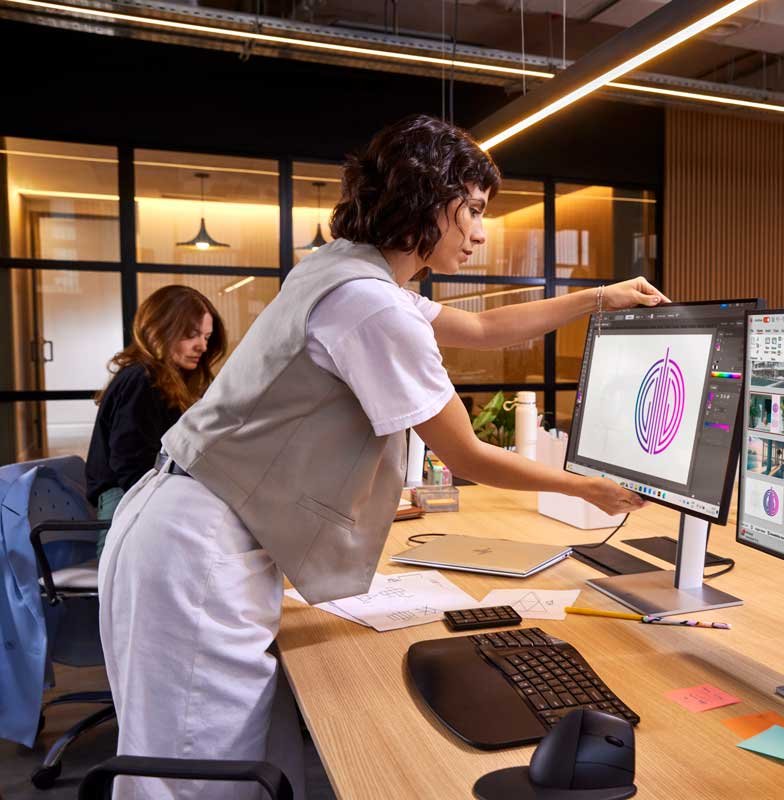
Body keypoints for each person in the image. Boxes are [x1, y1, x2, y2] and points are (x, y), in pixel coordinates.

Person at [97, 114, 661, 799]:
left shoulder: (344, 272)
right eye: (474, 212)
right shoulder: (373, 308)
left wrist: (602, 297)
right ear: (429, 201)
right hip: (197, 544)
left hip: (193, 520)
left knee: (233, 762)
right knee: (192, 779)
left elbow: (483, 327)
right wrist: (592, 486)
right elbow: (468, 455)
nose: (481, 233)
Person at [85, 285, 225, 545]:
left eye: (206, 337)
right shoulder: (141, 379)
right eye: (191, 335)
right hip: (127, 506)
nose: (202, 346)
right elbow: (132, 466)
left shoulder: (167, 381)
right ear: (161, 330)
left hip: (146, 499)